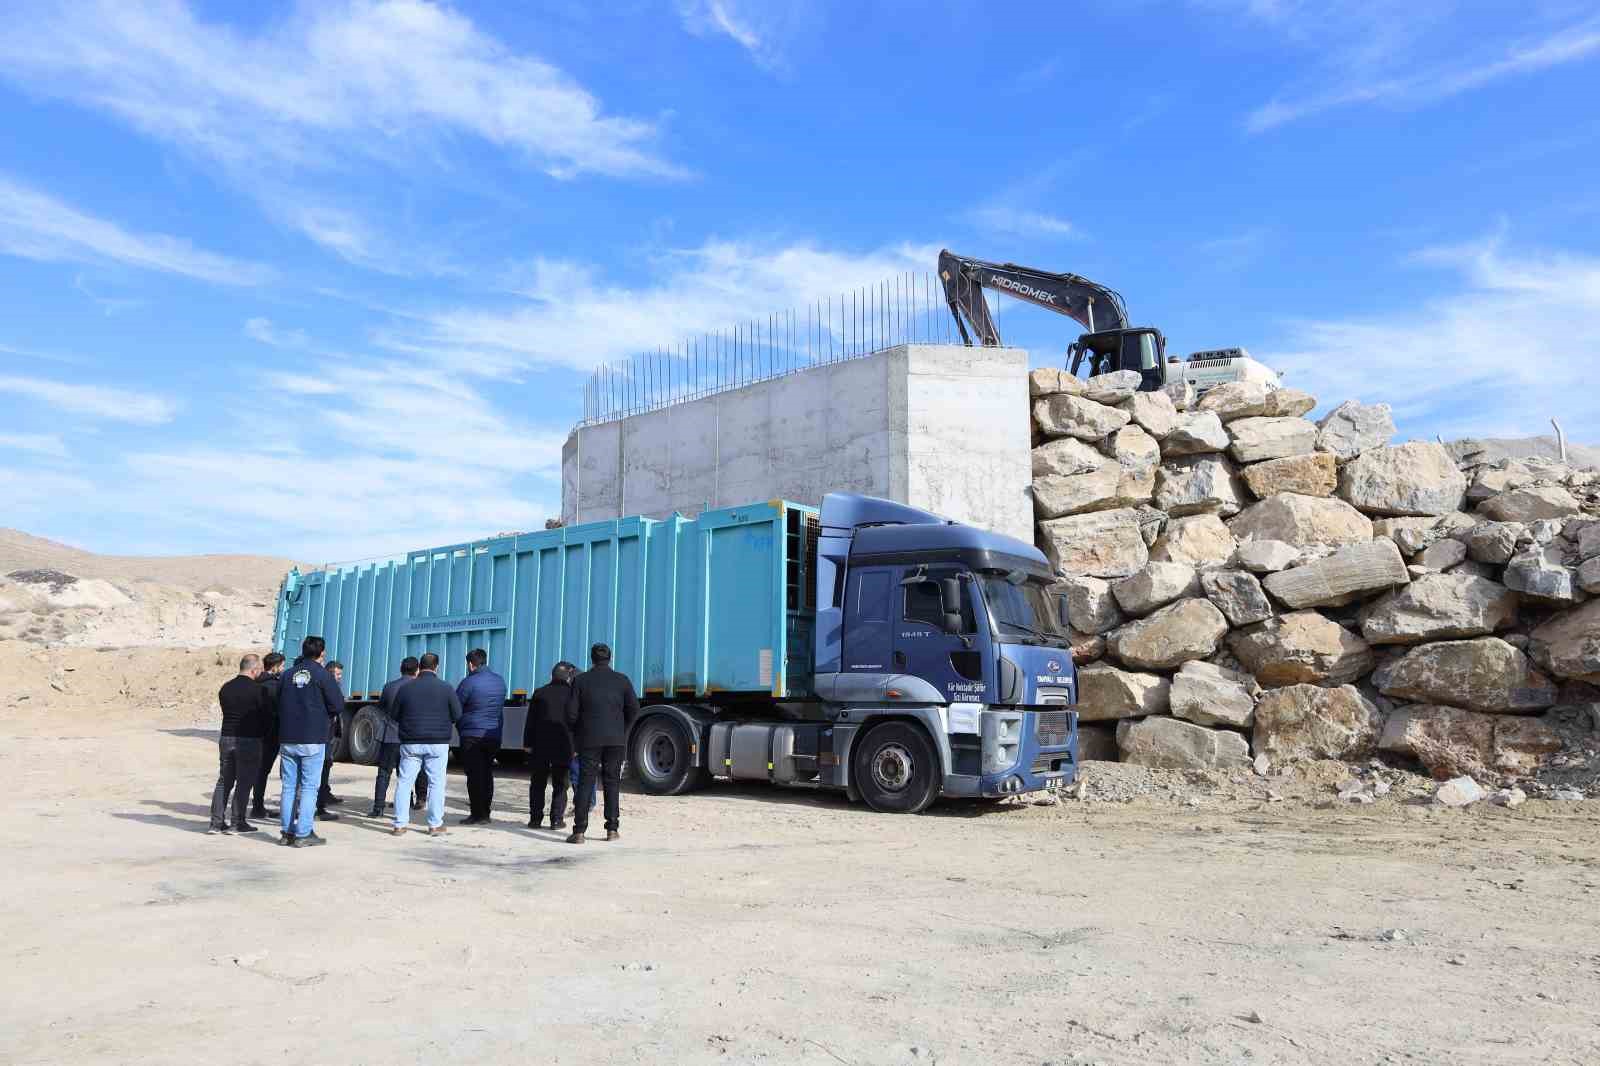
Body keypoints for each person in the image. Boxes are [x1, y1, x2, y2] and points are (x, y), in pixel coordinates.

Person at [566, 643, 639, 844]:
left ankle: (579, 831)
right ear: (610, 658)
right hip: (615, 739)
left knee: (586, 782)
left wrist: (579, 731)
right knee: (612, 782)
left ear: (591, 658)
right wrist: (622, 728)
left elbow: (571, 714)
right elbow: (634, 708)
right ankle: (612, 829)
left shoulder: (580, 681)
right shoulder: (622, 680)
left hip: (589, 739)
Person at [275, 636, 343, 847]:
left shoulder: (286, 675)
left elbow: (277, 702)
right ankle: (304, 833)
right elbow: (338, 705)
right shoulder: (323, 675)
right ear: (322, 653)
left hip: (288, 737)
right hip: (313, 737)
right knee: (309, 788)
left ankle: (287, 832)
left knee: (288, 787)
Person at [387, 651, 461, 837]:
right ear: (437, 667)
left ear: (420, 667)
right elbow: (457, 715)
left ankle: (399, 825)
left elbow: (394, 715)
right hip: (438, 743)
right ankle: (435, 825)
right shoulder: (446, 688)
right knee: (436, 784)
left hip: (411, 743)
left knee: (404, 782)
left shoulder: (406, 689)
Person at [209, 653, 272, 834]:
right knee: (244, 782)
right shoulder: (259, 690)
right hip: (249, 739)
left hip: (226, 738)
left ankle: (216, 823)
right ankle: (237, 822)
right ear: (254, 669)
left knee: (224, 781)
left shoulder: (225, 688)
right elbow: (266, 717)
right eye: (259, 669)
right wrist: (264, 736)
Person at [454, 648, 506, 825]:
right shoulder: (500, 681)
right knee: (487, 773)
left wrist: (460, 726)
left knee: (474, 775)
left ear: (470, 664)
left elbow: (456, 708)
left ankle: (477, 814)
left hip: (472, 735)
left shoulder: (468, 682)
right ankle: (486, 812)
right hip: (493, 734)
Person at [525, 661, 577, 830]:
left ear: (552, 676)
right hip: (564, 745)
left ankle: (535, 819)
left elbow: (530, 721)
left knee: (537, 783)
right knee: (561, 783)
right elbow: (576, 722)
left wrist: (527, 743)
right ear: (568, 677)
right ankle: (556, 820)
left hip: (540, 745)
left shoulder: (539, 693)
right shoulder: (572, 694)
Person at [370, 657, 421, 817]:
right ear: (417, 670)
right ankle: (409, 801)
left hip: (390, 735)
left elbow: (382, 708)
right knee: (407, 773)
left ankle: (378, 808)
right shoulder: (417, 688)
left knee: (384, 772)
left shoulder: (389, 686)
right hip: (409, 737)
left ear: (401, 669)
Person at [248, 652, 285, 820]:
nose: (283, 669)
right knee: (262, 771)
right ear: (275, 667)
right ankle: (257, 807)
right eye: (282, 666)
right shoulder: (274, 686)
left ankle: (257, 806)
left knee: (257, 771)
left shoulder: (255, 683)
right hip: (270, 735)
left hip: (255, 733)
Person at [315, 660, 346, 821]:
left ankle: (325, 793)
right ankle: (319, 804)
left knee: (327, 764)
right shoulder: (324, 687)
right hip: (323, 734)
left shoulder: (334, 687)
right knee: (323, 765)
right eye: (337, 674)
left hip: (330, 733)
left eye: (341, 674)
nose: (339, 677)